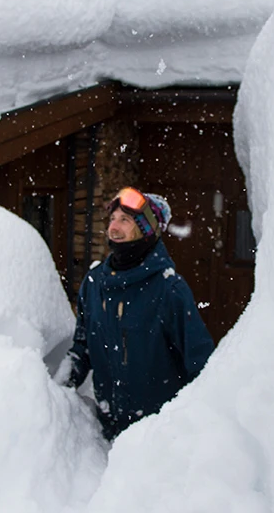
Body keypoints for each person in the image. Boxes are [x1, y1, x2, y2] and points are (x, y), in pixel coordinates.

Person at [65, 187, 215, 441]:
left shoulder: (169, 289)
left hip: (156, 439)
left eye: (125, 220)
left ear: (147, 230)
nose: (113, 228)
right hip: (105, 433)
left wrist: (198, 429)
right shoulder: (94, 284)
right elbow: (83, 346)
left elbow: (201, 365)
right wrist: (56, 388)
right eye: (112, 219)